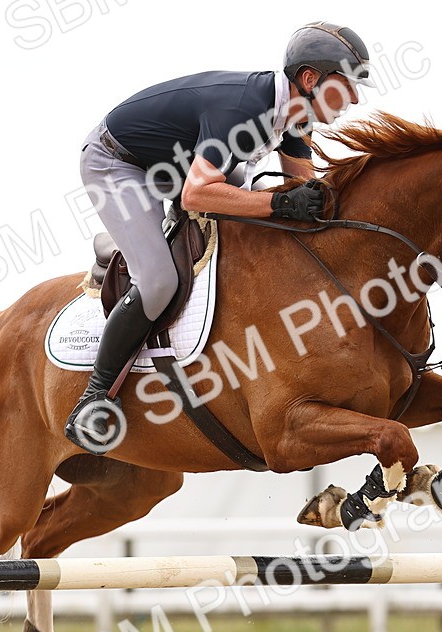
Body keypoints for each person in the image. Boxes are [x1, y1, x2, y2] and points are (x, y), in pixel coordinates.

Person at [65, 22, 375, 451]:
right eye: (348, 85)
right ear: (310, 79)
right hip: (118, 162)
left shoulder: (295, 119)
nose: (356, 98)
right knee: (159, 282)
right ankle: (94, 399)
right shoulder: (245, 109)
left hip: (180, 161)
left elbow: (305, 196)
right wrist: (280, 205)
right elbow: (197, 195)